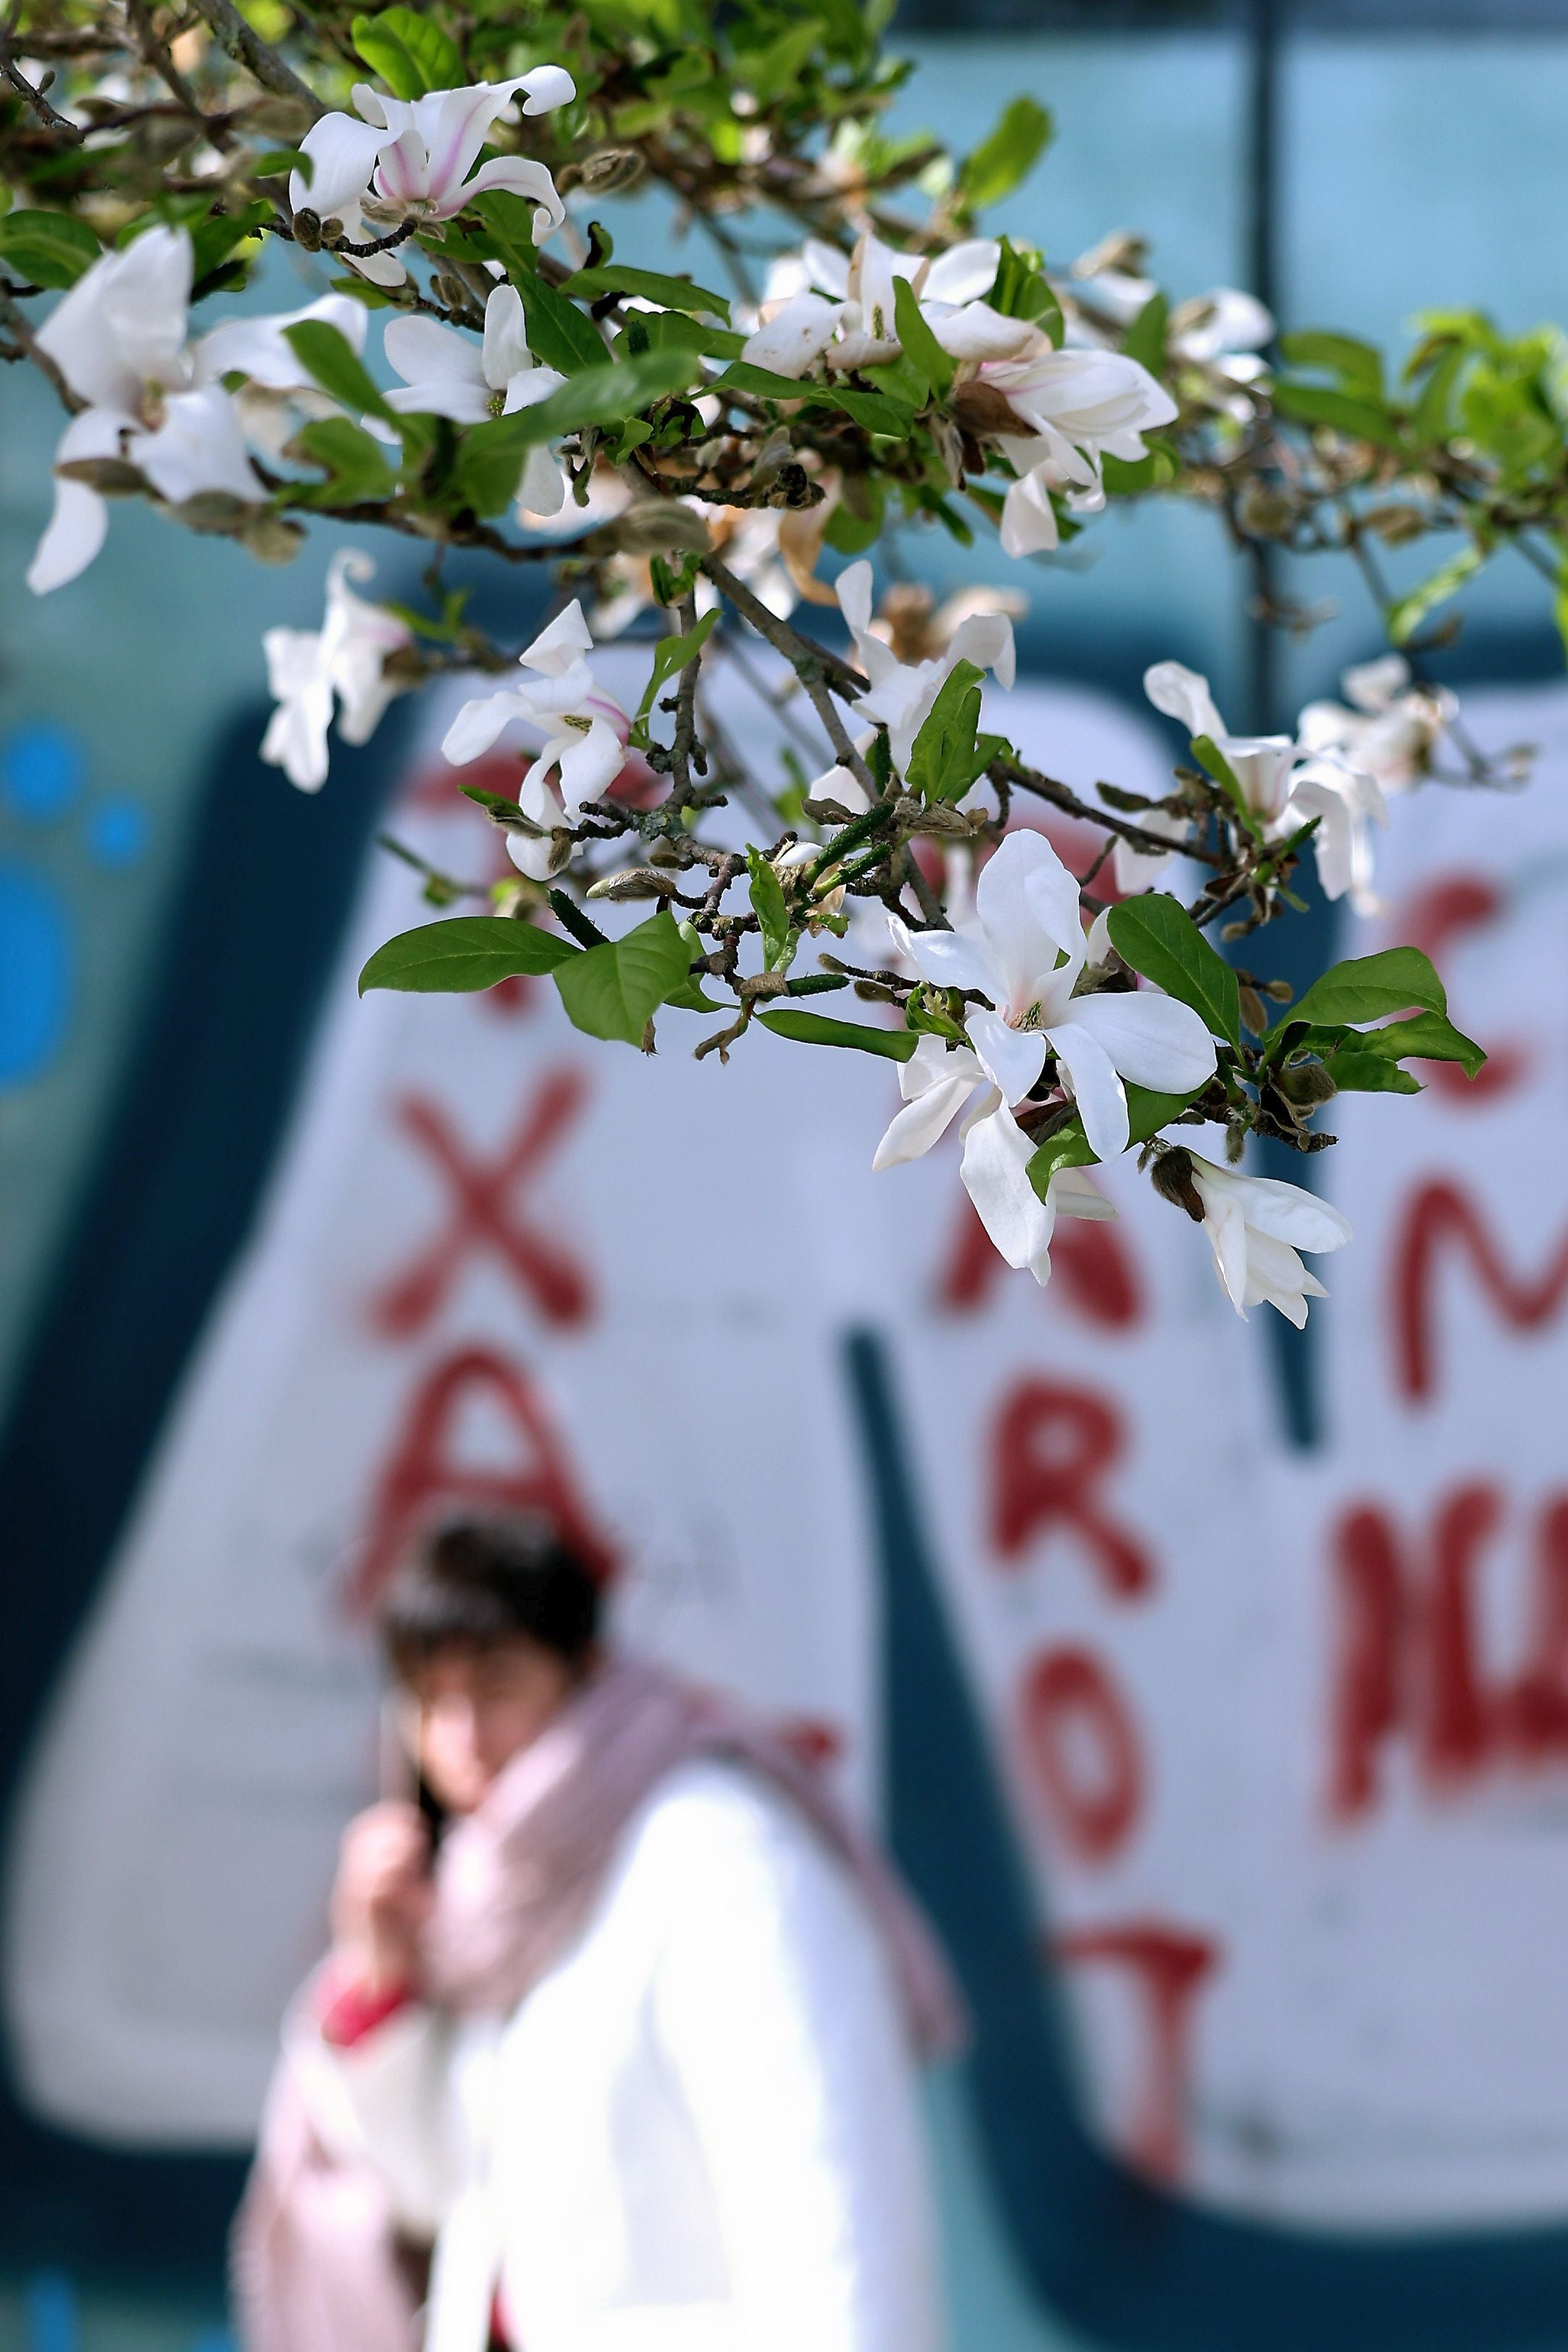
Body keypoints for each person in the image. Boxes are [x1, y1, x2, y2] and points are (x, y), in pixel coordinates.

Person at [235, 1514, 961, 2352]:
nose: (464, 1741)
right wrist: (380, 1985)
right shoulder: (495, 1901)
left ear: (585, 1670)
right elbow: (441, 2189)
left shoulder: (718, 1855)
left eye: (497, 1685)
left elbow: (832, 2203)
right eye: (432, 1702)